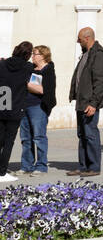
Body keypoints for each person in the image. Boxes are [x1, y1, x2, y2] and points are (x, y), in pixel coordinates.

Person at [68, 28, 103, 177]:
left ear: (87, 38)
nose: (78, 41)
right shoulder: (86, 54)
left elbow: (100, 82)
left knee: (90, 134)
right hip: (81, 101)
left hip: (89, 103)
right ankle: (83, 165)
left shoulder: (98, 55)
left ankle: (94, 167)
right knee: (82, 134)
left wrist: (93, 103)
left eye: (79, 39)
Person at [0, 43, 41, 179]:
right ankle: (2, 171)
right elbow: (40, 71)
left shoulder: (2, 64)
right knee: (8, 141)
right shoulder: (27, 67)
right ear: (28, 55)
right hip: (16, 108)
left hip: (1, 106)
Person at [20, 45, 56, 174]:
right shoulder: (30, 68)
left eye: (35, 54)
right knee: (25, 138)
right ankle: (26, 166)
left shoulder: (48, 70)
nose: (32, 56)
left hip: (38, 107)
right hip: (25, 106)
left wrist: (26, 84)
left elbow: (42, 90)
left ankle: (41, 166)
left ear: (43, 56)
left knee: (39, 137)